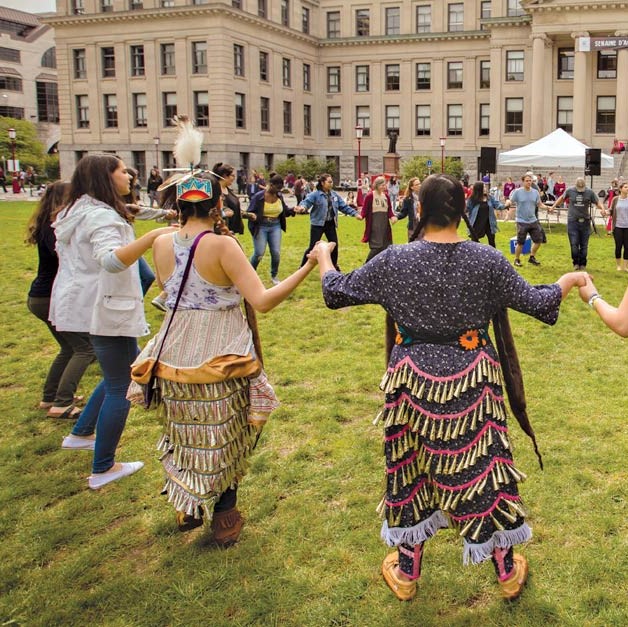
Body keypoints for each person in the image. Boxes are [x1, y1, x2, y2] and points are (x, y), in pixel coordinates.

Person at [309, 173, 587, 602]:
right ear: (463, 210)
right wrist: (568, 281)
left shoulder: (395, 260)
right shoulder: (488, 260)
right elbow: (540, 303)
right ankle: (506, 571)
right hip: (473, 382)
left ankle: (406, 571)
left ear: (419, 209)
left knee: (410, 469)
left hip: (411, 382)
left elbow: (335, 291)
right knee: (482, 471)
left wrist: (325, 255)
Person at [129, 172, 319, 541]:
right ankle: (224, 513)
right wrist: (308, 267)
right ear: (218, 205)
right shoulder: (222, 246)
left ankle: (187, 502)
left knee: (185, 430)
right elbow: (262, 301)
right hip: (221, 351)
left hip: (174, 349)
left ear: (178, 205)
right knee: (231, 431)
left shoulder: (162, 243)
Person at [50, 154, 175, 490]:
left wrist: (160, 222)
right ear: (106, 176)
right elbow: (109, 261)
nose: (129, 176)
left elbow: (133, 215)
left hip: (92, 306)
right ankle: (103, 467)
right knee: (124, 384)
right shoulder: (100, 217)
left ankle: (81, 433)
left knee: (118, 372)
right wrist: (151, 239)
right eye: (122, 170)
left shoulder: (85, 209)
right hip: (104, 309)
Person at [26, 181, 95, 419]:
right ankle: (62, 403)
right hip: (48, 297)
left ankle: (50, 396)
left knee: (68, 347)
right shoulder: (55, 228)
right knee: (85, 349)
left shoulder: (50, 224)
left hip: (41, 296)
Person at [297, 173, 363, 271]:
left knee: (334, 245)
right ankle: (302, 268)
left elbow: (343, 207)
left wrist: (355, 214)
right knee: (312, 246)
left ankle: (334, 267)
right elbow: (306, 202)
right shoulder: (315, 194)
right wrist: (302, 207)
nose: (331, 184)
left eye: (331, 182)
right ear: (323, 183)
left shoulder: (334, 195)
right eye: (329, 182)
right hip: (318, 224)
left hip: (330, 224)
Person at [248, 172, 295, 285]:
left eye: (280, 189)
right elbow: (249, 211)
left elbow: (284, 210)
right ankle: (249, 274)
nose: (277, 191)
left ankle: (274, 275)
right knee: (259, 252)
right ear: (270, 184)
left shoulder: (279, 196)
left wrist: (294, 210)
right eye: (276, 188)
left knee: (276, 253)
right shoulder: (259, 197)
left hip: (275, 226)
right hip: (261, 226)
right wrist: (252, 216)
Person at [552, 177, 604, 270]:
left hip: (585, 221)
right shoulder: (570, 191)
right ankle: (575, 262)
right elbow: (562, 198)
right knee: (574, 243)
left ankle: (583, 263)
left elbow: (597, 202)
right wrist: (553, 206)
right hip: (573, 221)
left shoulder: (589, 192)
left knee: (584, 245)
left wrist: (603, 209)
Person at [504, 174, 551, 267]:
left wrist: (547, 208)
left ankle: (532, 257)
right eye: (527, 181)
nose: (529, 182)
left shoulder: (535, 192)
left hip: (533, 220)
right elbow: (511, 201)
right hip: (521, 221)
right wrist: (507, 203)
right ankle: (517, 259)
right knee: (521, 242)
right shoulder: (517, 192)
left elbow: (539, 204)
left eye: (530, 181)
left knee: (538, 240)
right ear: (523, 181)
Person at [361, 175, 397, 262]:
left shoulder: (386, 196)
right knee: (377, 246)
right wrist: (360, 216)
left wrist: (392, 217)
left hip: (384, 223)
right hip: (374, 224)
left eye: (385, 185)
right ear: (377, 185)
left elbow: (389, 210)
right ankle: (367, 265)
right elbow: (364, 210)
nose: (384, 187)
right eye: (382, 185)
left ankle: (382, 266)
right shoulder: (370, 196)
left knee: (386, 245)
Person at [213, 162, 247, 235]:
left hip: (231, 232)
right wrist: (223, 213)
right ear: (225, 176)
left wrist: (248, 215)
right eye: (232, 176)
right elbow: (211, 210)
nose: (234, 178)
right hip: (219, 232)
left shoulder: (229, 191)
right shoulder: (214, 191)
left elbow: (235, 209)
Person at [466, 181, 504, 248]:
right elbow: (466, 209)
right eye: (483, 187)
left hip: (489, 223)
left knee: (492, 242)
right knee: (474, 243)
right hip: (476, 224)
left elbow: (497, 205)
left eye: (485, 187)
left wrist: (506, 205)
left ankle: (493, 256)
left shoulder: (490, 198)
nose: (485, 188)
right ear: (479, 189)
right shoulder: (472, 199)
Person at [607, 181, 628, 271]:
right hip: (618, 227)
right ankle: (619, 265)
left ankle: (626, 266)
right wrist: (606, 212)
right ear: (620, 189)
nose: (627, 189)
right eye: (626, 187)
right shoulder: (615, 199)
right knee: (618, 246)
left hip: (627, 227)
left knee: (627, 246)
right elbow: (611, 210)